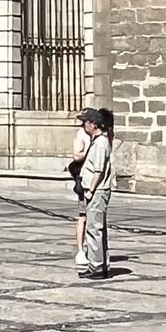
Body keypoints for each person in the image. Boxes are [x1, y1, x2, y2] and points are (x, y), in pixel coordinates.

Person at [78, 106, 114, 280]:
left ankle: (97, 266)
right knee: (96, 228)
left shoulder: (100, 143)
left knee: (94, 229)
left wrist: (91, 190)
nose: (84, 126)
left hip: (97, 191)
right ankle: (98, 263)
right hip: (96, 190)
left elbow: (98, 170)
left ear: (94, 124)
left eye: (85, 122)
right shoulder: (97, 141)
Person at [67, 107, 94, 268]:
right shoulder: (81, 134)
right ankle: (80, 250)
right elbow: (76, 155)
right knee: (83, 216)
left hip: (95, 179)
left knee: (95, 216)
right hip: (84, 178)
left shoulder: (99, 135)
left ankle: (94, 248)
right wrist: (91, 151)